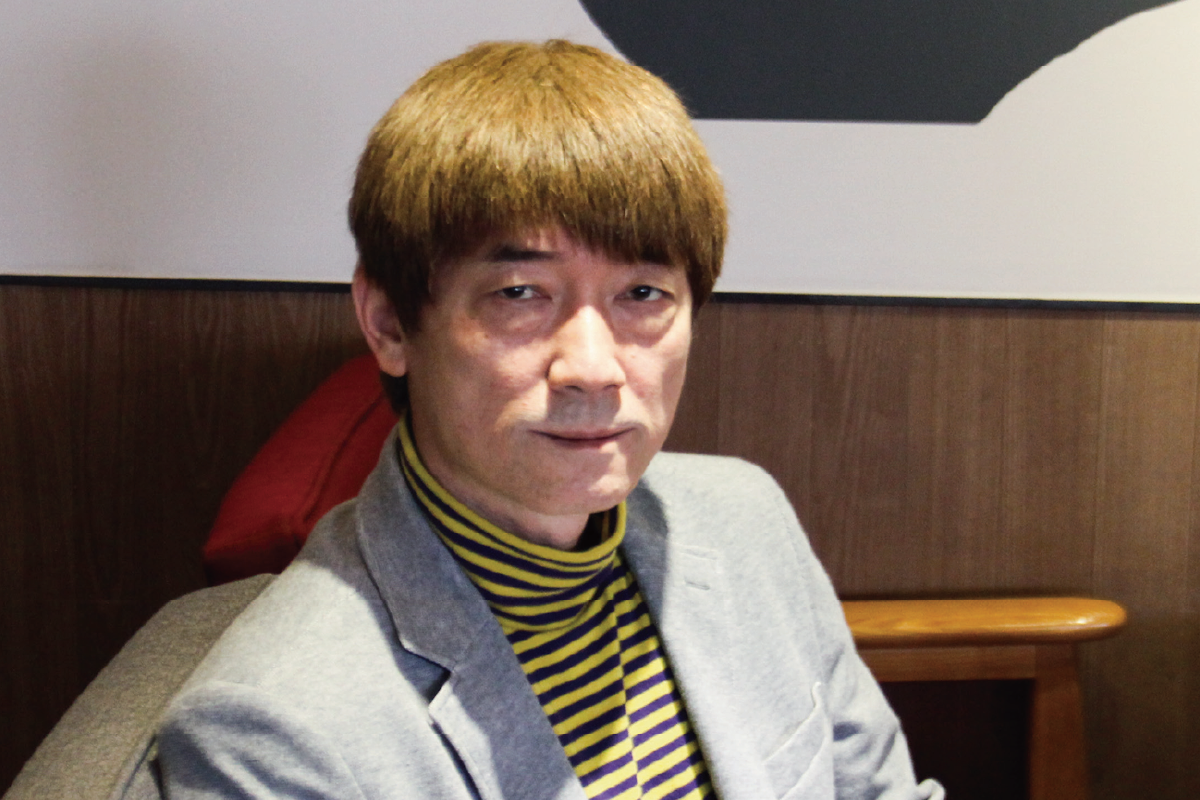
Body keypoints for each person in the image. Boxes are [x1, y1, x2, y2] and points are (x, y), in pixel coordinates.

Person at [154, 40, 943, 800]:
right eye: (520, 295)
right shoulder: (274, 728)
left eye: (643, 294)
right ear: (390, 322)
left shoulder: (747, 520)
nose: (593, 368)